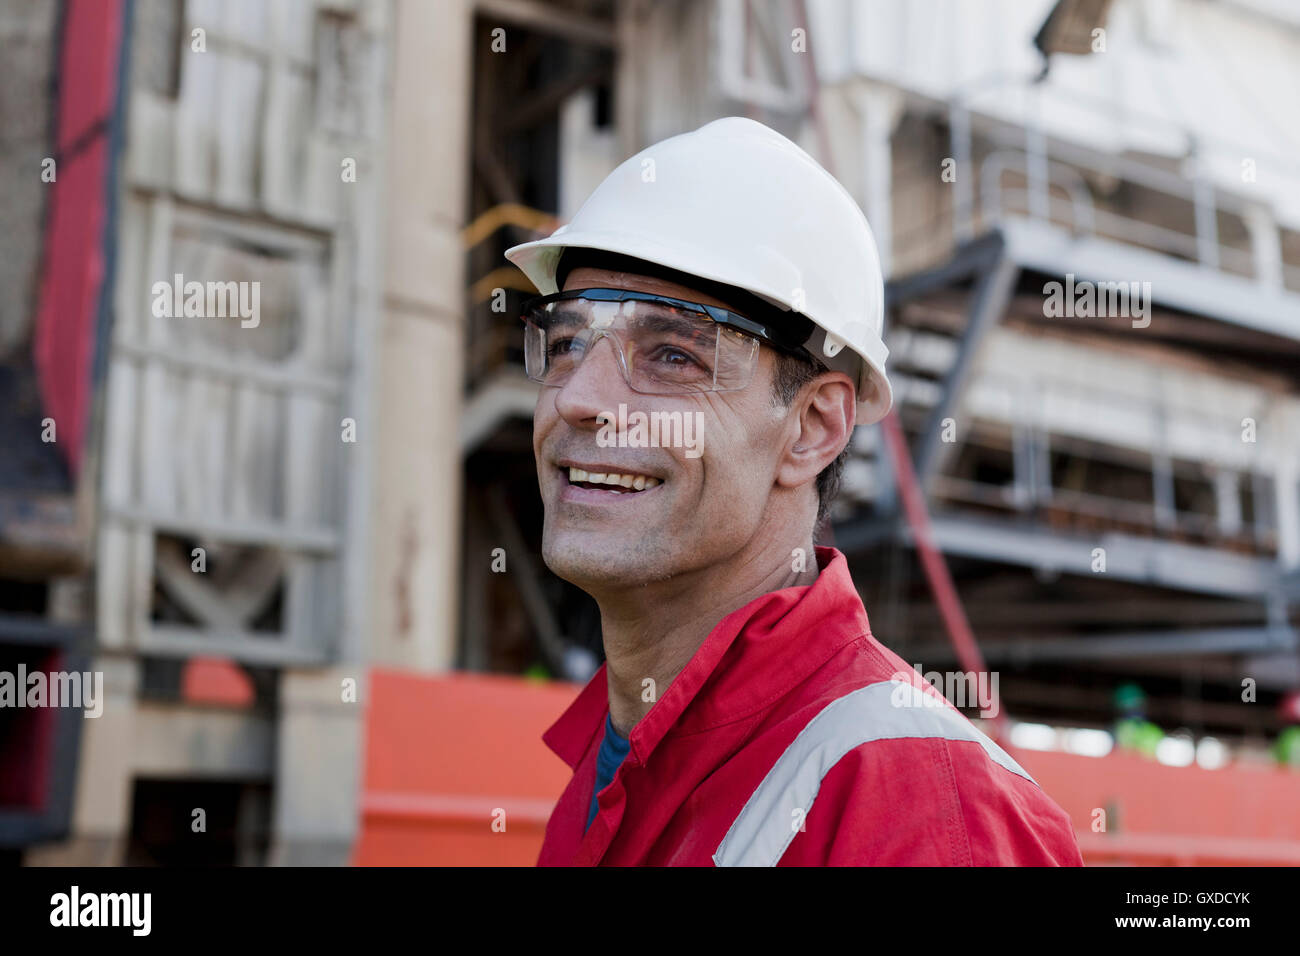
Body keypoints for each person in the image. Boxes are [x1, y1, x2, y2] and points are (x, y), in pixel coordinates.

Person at [505, 116, 1083, 866]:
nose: (579, 399)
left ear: (812, 427)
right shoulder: (609, 771)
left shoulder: (930, 812)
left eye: (674, 355)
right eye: (566, 344)